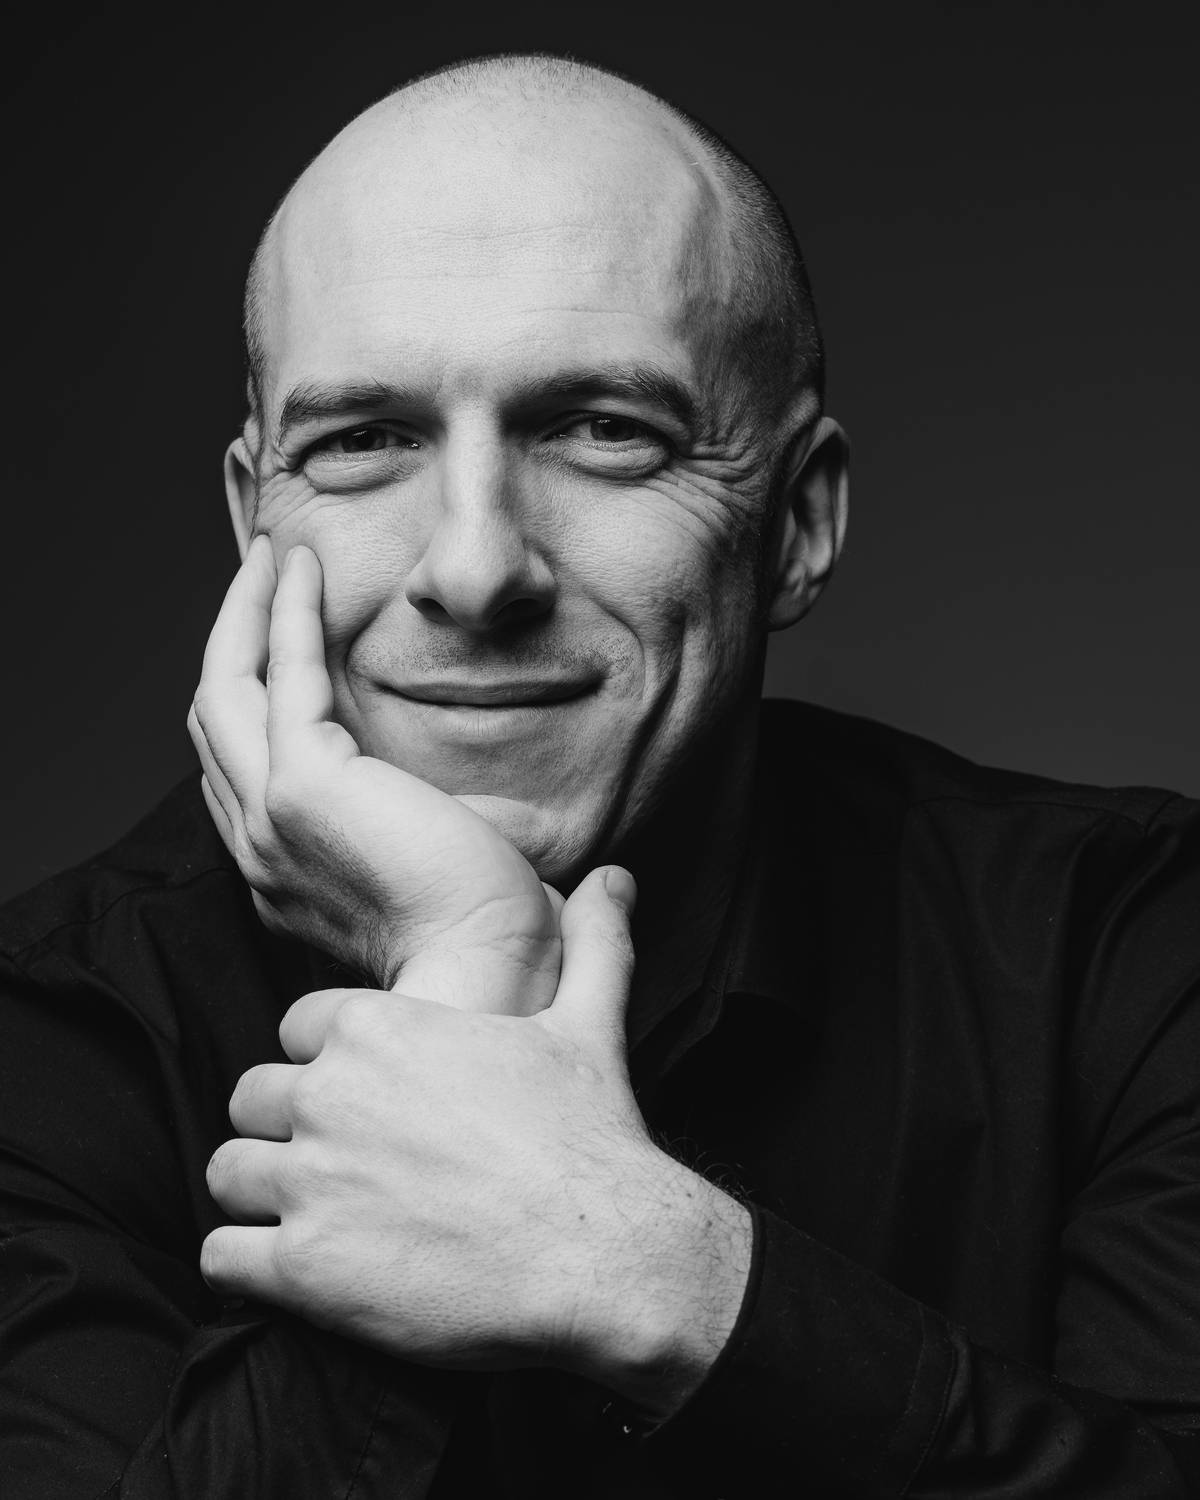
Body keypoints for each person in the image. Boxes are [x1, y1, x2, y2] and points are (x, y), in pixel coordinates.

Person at [2, 50, 1199, 1498]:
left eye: (603, 431)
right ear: (258, 519)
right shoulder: (44, 1042)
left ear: (797, 524)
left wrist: (661, 1279)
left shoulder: (1132, 948)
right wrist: (462, 970)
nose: (474, 568)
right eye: (365, 440)